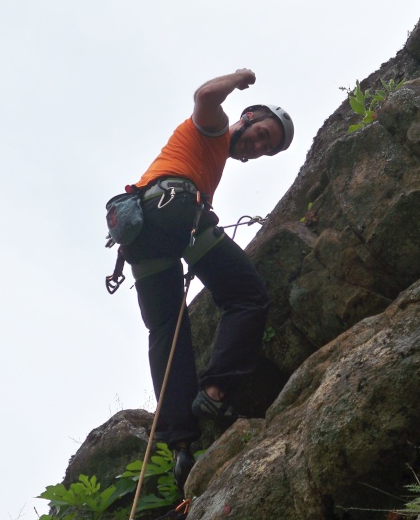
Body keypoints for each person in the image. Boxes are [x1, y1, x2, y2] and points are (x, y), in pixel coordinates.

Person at [116, 68, 294, 494]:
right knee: (247, 296)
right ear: (248, 117)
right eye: (261, 134)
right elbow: (204, 97)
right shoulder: (213, 131)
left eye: (264, 149)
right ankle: (214, 391)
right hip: (174, 211)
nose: (256, 147)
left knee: (165, 331)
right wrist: (237, 78)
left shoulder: (210, 156)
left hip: (139, 232)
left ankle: (180, 442)